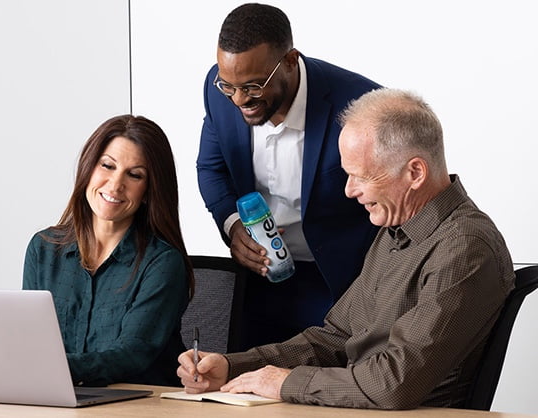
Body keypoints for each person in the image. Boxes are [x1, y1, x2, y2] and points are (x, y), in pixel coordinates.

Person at [178, 89, 515, 409]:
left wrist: (286, 383)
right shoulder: (394, 232)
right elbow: (336, 339)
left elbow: (394, 383)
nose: (350, 191)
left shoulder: (466, 248)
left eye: (362, 176)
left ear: (415, 172)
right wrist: (233, 367)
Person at [197, 3, 382, 349]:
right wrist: (233, 225)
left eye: (252, 86)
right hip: (260, 280)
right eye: (230, 86)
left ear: (290, 61)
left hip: (342, 286)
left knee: (323, 394)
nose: (239, 100)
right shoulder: (217, 88)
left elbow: (391, 200)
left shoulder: (363, 105)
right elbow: (212, 168)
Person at [23, 115, 194, 387]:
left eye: (134, 175)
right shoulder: (43, 250)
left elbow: (131, 356)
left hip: (140, 406)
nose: (115, 185)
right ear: (88, 168)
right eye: (107, 166)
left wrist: (48, 367)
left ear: (149, 190)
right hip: (59, 400)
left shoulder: (162, 263)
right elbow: (32, 339)